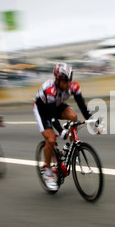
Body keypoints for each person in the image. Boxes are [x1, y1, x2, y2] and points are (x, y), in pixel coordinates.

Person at [33, 62, 94, 190]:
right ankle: (48, 171)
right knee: (50, 139)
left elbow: (83, 107)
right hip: (43, 110)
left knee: (73, 117)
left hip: (57, 105)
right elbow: (52, 117)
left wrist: (93, 121)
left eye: (69, 80)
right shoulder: (50, 90)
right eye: (65, 81)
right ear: (57, 79)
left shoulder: (73, 87)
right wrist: (61, 131)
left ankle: (72, 147)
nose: (68, 84)